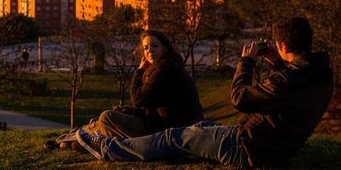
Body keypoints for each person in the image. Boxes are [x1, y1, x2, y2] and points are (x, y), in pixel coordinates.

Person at [75, 17, 334, 168]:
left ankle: (109, 148)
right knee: (202, 127)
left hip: (249, 147)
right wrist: (279, 63)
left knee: (173, 137)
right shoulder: (320, 74)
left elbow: (240, 99)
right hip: (271, 144)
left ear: (283, 44)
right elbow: (289, 94)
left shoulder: (288, 80)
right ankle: (99, 138)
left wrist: (246, 63)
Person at [92, 31, 203, 139]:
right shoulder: (164, 66)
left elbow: (137, 99)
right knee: (103, 121)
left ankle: (111, 145)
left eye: (154, 46)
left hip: (169, 131)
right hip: (159, 124)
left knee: (106, 117)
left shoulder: (164, 69)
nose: (150, 51)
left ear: (165, 48)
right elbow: (149, 105)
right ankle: (86, 138)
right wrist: (127, 111)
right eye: (146, 48)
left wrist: (139, 71)